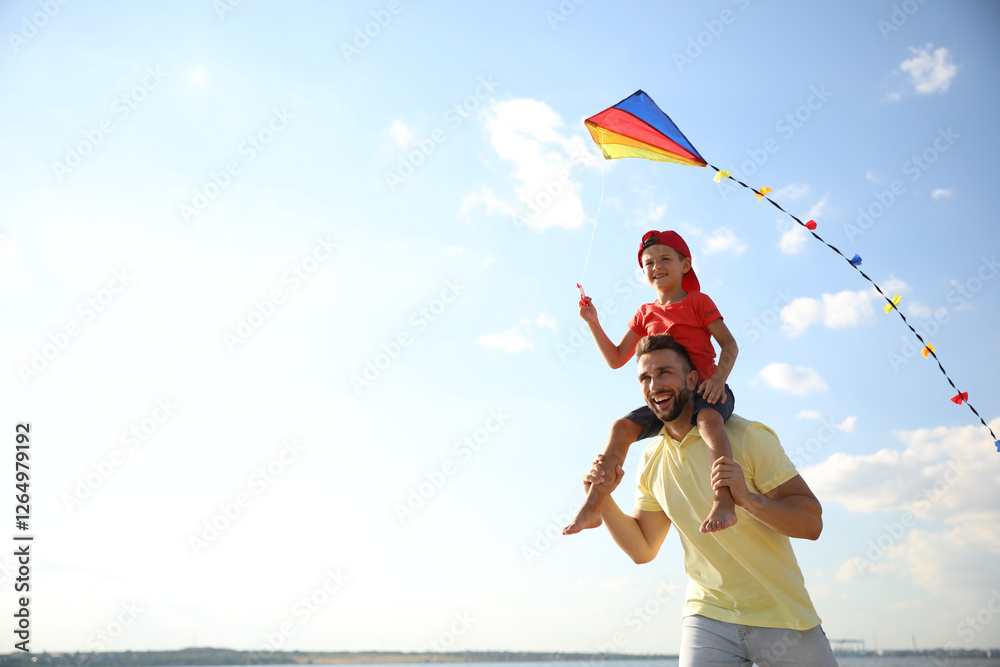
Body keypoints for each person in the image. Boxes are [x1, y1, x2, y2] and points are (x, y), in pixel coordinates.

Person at [584, 334, 838, 667]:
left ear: (692, 379)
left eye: (665, 373)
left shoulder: (745, 437)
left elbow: (811, 523)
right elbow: (643, 548)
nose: (654, 384)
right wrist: (602, 497)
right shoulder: (650, 458)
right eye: (645, 377)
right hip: (708, 615)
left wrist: (747, 500)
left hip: (783, 618)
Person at [564, 230, 739, 535]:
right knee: (620, 427)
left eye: (665, 259)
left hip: (704, 390)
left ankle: (724, 499)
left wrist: (719, 380)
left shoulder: (698, 302)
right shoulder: (645, 313)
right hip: (666, 400)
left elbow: (730, 345)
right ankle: (593, 506)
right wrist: (593, 322)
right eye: (648, 263)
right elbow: (617, 358)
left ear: (685, 265)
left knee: (709, 419)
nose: (656, 266)